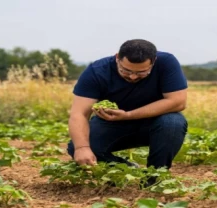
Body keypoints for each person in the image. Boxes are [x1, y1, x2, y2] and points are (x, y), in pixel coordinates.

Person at [67, 39, 188, 171]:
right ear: (117, 58)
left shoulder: (167, 62)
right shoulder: (97, 71)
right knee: (77, 146)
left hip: (155, 121)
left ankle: (156, 175)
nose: (133, 77)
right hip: (112, 122)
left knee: (173, 122)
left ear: (153, 62)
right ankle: (126, 169)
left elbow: (178, 101)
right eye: (126, 71)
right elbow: (79, 113)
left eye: (141, 72)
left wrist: (128, 115)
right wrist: (82, 148)